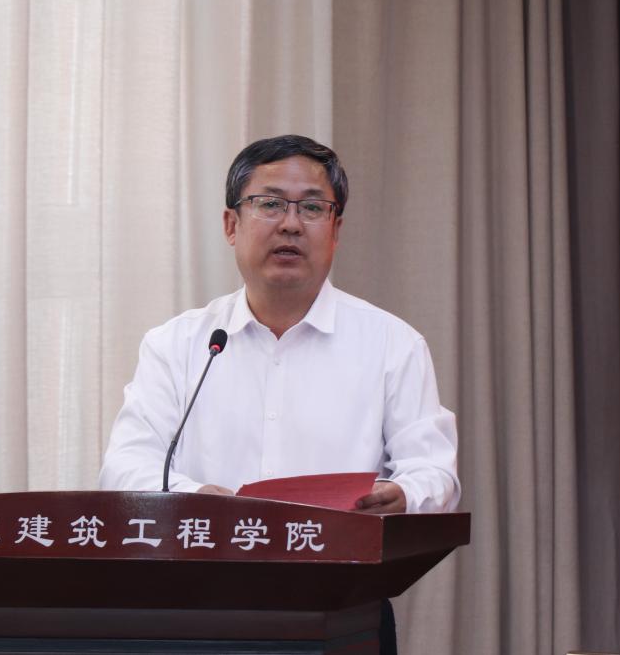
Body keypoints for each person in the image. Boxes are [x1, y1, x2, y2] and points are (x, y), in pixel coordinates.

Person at [99, 134, 460, 655]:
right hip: (195, 610)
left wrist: (403, 494)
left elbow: (436, 473)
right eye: (269, 204)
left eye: (312, 208)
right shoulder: (178, 344)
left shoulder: (392, 344)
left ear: (336, 230)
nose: (291, 223)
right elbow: (125, 469)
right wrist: (198, 500)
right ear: (231, 225)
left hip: (341, 612)